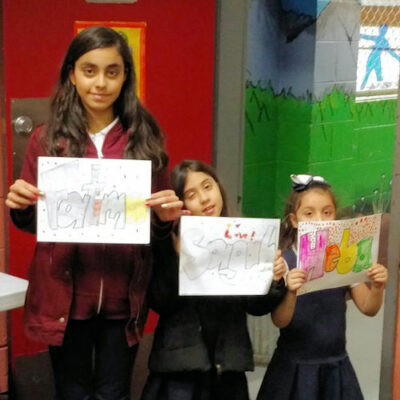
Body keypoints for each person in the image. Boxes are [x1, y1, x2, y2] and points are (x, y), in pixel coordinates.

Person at [6, 26, 184, 400]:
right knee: (71, 393)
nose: (100, 83)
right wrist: (22, 209)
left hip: (124, 296)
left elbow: (154, 227)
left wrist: (164, 219)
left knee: (114, 393)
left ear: (125, 77)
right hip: (65, 297)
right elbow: (38, 221)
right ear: (72, 74)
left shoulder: (144, 138)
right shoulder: (47, 138)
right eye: (90, 70)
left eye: (112, 71)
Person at [141, 160, 287, 400]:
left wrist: (275, 281)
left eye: (208, 186)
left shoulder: (243, 239)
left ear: (219, 188)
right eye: (191, 194)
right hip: (180, 370)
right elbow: (161, 301)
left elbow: (255, 306)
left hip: (228, 368)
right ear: (182, 203)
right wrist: (175, 256)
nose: (204, 198)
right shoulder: (167, 241)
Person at [256, 174, 388, 400]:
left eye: (327, 212)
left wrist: (377, 286)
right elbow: (279, 320)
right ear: (295, 220)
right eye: (309, 213)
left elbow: (369, 307)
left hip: (335, 369)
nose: (320, 220)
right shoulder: (285, 261)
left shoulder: (344, 257)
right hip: (293, 369)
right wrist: (291, 291)